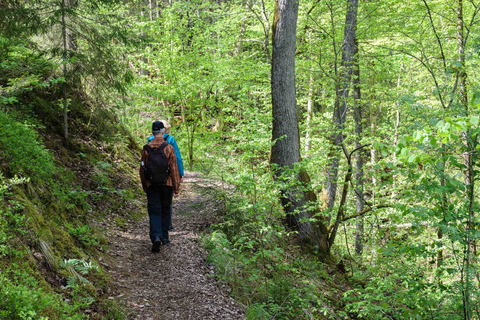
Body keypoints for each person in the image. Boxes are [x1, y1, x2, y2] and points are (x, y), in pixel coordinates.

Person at [140, 121, 180, 253]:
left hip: (152, 184)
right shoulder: (168, 147)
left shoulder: (146, 148)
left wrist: (144, 184)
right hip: (166, 184)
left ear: (152, 132)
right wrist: (176, 187)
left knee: (154, 211)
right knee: (165, 209)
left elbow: (142, 168)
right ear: (163, 132)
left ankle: (156, 236)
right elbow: (174, 168)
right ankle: (165, 238)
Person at [147, 120, 184, 230]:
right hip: (167, 178)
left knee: (155, 203)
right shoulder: (170, 140)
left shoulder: (149, 141)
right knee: (167, 202)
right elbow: (177, 157)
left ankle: (156, 229)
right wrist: (180, 173)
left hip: (153, 178)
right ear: (164, 130)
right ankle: (167, 225)